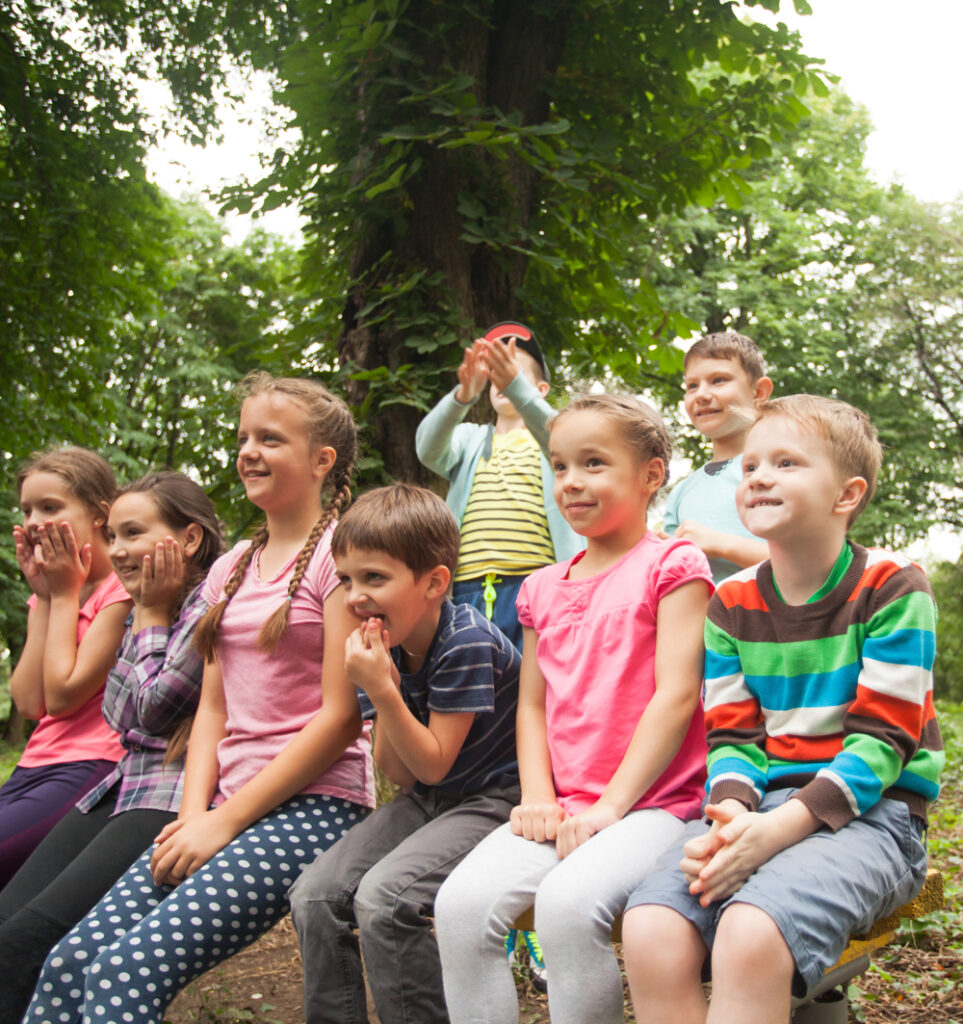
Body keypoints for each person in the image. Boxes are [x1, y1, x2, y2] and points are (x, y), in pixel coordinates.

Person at [23, 373, 374, 1024]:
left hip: (315, 804)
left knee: (124, 972)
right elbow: (211, 708)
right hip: (217, 805)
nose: (248, 451)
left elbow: (339, 716)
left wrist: (226, 820)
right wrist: (190, 816)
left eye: (270, 438)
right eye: (243, 437)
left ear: (322, 460)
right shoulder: (231, 565)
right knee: (69, 964)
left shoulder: (340, 556)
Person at [622, 394, 942, 1024]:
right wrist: (734, 816)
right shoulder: (731, 602)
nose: (759, 476)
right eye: (749, 467)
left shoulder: (893, 585)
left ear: (846, 495)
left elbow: (884, 740)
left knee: (750, 933)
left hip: (877, 816)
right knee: (652, 928)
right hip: (761, 808)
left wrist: (776, 831)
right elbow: (733, 735)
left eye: (787, 462)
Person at [435, 393, 714, 1024]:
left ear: (650, 475)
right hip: (564, 808)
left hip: (654, 806)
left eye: (593, 463)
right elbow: (531, 705)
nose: (571, 482)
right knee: (458, 907)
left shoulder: (673, 565)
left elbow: (676, 695)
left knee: (565, 906)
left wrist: (611, 807)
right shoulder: (540, 587)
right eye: (559, 466)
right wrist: (537, 795)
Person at [288, 483, 521, 1024]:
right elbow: (399, 772)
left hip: (496, 799)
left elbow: (434, 762)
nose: (354, 596)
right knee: (315, 896)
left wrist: (387, 692)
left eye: (374, 578)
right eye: (347, 579)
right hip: (431, 798)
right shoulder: (381, 647)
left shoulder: (465, 642)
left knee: (386, 901)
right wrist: (384, 685)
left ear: (435, 582)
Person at [0, 471, 223, 1023]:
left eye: (132, 533)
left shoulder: (205, 603)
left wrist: (148, 612)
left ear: (188, 539)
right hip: (121, 782)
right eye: (115, 536)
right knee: (7, 918)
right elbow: (120, 716)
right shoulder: (145, 601)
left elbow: (151, 709)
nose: (118, 550)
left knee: (25, 941)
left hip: (169, 790)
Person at [2, 447, 131, 887]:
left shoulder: (121, 588)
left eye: (51, 507)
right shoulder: (53, 591)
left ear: (99, 514)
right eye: (27, 510)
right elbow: (29, 702)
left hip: (91, 766)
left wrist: (63, 594)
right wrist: (47, 596)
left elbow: (62, 694)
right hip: (32, 765)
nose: (35, 520)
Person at [415, 320, 583, 650]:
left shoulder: (552, 442)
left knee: (531, 689)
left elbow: (564, 442)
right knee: (470, 685)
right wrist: (462, 395)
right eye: (497, 372)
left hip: (536, 585)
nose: (504, 380)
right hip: (465, 589)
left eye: (515, 373)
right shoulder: (470, 438)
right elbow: (427, 448)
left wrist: (520, 392)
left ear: (541, 390)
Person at [662, 331, 773, 582]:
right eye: (692, 386)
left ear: (759, 392)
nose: (701, 394)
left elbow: (814, 561)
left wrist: (721, 544)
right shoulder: (681, 493)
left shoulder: (782, 473)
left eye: (719, 380)